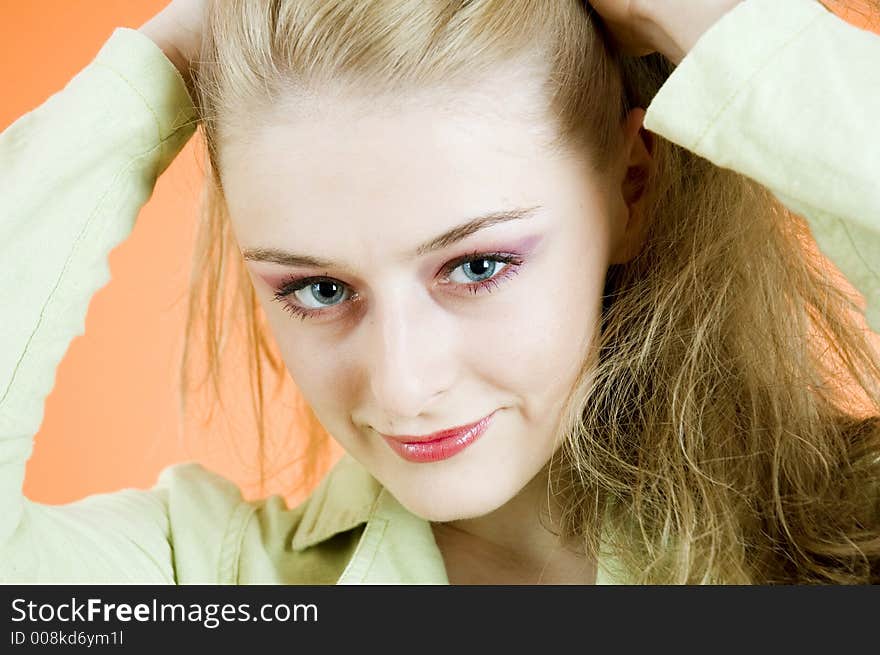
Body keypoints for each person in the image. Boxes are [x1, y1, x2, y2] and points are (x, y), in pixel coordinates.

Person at [1, 0, 879, 585]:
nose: (401, 385)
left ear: (633, 189)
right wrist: (154, 67)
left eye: (477, 266)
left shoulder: (849, 535)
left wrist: (719, 21)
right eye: (316, 286)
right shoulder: (206, 581)